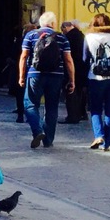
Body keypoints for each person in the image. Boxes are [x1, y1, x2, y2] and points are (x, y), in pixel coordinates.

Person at [18, 11, 75, 149]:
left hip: (35, 74)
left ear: (40, 23)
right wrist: (72, 79)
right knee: (52, 107)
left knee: (30, 104)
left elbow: (24, 56)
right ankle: (48, 140)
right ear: (53, 24)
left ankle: (37, 131)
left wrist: (21, 76)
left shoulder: (31, 35)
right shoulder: (61, 38)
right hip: (56, 76)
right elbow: (68, 60)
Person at [83, 13, 110, 151]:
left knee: (95, 109)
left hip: (96, 78)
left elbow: (84, 59)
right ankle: (106, 144)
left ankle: (99, 135)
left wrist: (84, 78)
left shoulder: (88, 37)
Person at [60, 21, 89, 124]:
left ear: (65, 27)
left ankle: (72, 116)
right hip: (82, 68)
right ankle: (81, 113)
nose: (62, 32)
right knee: (80, 92)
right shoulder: (81, 35)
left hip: (72, 68)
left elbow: (67, 56)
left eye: (62, 30)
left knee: (71, 92)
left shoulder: (68, 37)